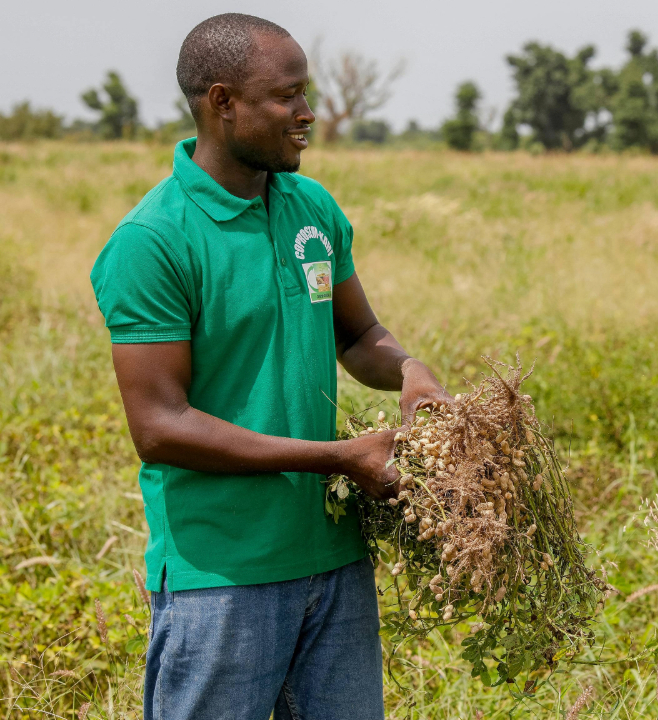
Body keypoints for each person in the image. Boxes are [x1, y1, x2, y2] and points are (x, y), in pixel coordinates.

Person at [89, 13, 449, 720]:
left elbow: (357, 334)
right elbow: (160, 427)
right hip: (221, 579)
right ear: (223, 102)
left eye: (304, 92)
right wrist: (340, 457)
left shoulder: (310, 207)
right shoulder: (153, 240)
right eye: (288, 95)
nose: (308, 113)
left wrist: (413, 371)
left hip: (333, 563)